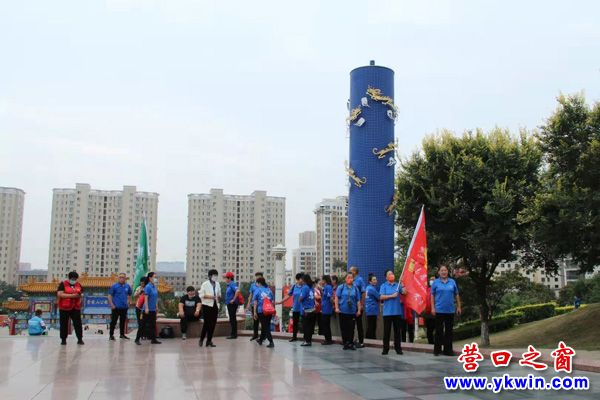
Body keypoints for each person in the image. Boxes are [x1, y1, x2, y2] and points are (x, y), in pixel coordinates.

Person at [431, 265, 461, 356]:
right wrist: (433, 308)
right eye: (442, 270)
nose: (443, 272)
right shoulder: (435, 282)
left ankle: (448, 350)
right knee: (438, 331)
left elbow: (456, 295)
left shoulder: (452, 282)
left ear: (447, 271)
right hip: (439, 310)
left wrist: (459, 307)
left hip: (450, 310)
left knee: (449, 331)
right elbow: (432, 296)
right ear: (439, 272)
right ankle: (437, 350)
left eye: (445, 270)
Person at [380, 270, 405, 355]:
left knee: (397, 332)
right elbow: (381, 297)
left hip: (397, 312)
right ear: (386, 277)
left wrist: (403, 284)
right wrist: (391, 296)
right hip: (387, 313)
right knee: (386, 332)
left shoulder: (398, 285)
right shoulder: (384, 285)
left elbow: (405, 292)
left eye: (392, 273)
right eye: (389, 274)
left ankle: (398, 348)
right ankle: (385, 349)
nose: (391, 275)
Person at [335, 272, 362, 350]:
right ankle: (345, 343)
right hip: (343, 311)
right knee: (344, 328)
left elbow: (358, 300)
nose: (350, 279)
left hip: (352, 312)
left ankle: (350, 343)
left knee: (351, 328)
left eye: (351, 277)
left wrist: (359, 310)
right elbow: (337, 298)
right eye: (348, 277)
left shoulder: (355, 288)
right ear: (345, 279)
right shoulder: (341, 287)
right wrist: (337, 308)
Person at [57, 271, 84, 345]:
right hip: (64, 307)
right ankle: (63, 340)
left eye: (75, 279)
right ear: (69, 278)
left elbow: (82, 293)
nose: (74, 280)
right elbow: (60, 294)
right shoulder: (63, 284)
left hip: (75, 307)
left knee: (78, 324)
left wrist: (80, 295)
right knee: (64, 324)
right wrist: (72, 295)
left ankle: (80, 339)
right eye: (72, 279)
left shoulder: (78, 284)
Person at [277, 272, 304, 342]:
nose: (302, 280)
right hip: (296, 307)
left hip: (303, 308)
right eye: (301, 279)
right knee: (295, 323)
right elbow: (288, 295)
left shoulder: (305, 287)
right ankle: (294, 337)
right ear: (298, 279)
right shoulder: (294, 286)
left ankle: (305, 338)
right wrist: (281, 302)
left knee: (304, 323)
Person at [199, 269, 221, 347]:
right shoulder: (205, 284)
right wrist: (211, 297)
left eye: (216, 275)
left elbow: (219, 294)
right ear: (210, 276)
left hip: (215, 305)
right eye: (214, 275)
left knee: (213, 324)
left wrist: (218, 296)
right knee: (207, 323)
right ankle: (201, 339)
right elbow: (201, 295)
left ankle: (209, 340)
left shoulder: (217, 284)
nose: (215, 277)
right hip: (206, 305)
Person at [108, 272, 132, 341]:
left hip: (124, 307)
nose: (121, 278)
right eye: (120, 277)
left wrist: (128, 301)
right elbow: (109, 295)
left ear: (125, 278)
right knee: (113, 321)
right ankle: (111, 335)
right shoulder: (114, 286)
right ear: (118, 278)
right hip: (116, 307)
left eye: (123, 277)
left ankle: (122, 334)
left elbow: (129, 294)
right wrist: (112, 304)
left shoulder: (127, 286)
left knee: (123, 321)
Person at [253, 277, 275, 348]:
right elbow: (272, 301)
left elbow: (255, 302)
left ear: (259, 283)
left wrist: (254, 312)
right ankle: (261, 339)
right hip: (269, 311)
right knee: (265, 325)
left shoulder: (257, 290)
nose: (256, 284)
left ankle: (271, 341)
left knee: (265, 326)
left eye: (256, 283)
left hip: (261, 311)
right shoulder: (269, 290)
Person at [349, 266, 366, 348]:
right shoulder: (351, 280)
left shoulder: (359, 280)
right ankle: (351, 340)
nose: (349, 272)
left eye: (351, 271)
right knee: (351, 324)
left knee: (359, 324)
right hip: (351, 306)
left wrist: (362, 304)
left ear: (355, 271)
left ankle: (361, 342)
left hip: (358, 305)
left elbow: (363, 292)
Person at [143, 272, 161, 344]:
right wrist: (146, 308)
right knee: (143, 324)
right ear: (150, 278)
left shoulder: (154, 286)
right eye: (154, 277)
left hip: (153, 309)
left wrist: (156, 307)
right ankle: (137, 339)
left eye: (156, 277)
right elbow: (146, 298)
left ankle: (153, 339)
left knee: (153, 324)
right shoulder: (147, 287)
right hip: (147, 309)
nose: (155, 279)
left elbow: (155, 298)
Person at [299, 274, 316, 346]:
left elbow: (301, 298)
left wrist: (299, 299)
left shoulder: (305, 287)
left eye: (302, 279)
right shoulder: (311, 287)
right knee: (310, 326)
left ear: (304, 280)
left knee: (306, 326)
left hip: (306, 310)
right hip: (312, 309)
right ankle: (309, 340)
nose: (301, 281)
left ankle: (306, 341)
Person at [246, 272, 263, 341]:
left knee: (262, 321)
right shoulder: (252, 285)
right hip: (254, 305)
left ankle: (263, 336)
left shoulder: (264, 285)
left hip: (261, 306)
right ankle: (255, 335)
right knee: (255, 321)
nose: (257, 278)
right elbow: (250, 295)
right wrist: (248, 303)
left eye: (259, 276)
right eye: (256, 276)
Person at [224, 272, 241, 339]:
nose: (225, 279)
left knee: (232, 319)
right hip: (230, 304)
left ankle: (233, 334)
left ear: (229, 278)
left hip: (232, 304)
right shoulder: (229, 285)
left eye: (226, 278)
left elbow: (237, 291)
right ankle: (233, 334)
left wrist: (233, 299)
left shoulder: (232, 284)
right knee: (232, 319)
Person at [319, 275, 334, 345]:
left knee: (326, 325)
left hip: (327, 309)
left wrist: (333, 305)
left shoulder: (328, 287)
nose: (321, 281)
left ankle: (328, 340)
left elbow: (330, 297)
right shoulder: (326, 287)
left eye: (322, 280)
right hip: (325, 308)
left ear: (325, 280)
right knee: (325, 325)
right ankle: (328, 339)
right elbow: (325, 296)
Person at [365, 274, 380, 340]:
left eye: (376, 279)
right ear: (370, 281)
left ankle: (369, 339)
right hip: (372, 309)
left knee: (370, 326)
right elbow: (379, 297)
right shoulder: (372, 289)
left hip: (369, 309)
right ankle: (370, 340)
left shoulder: (368, 288)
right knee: (372, 326)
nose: (375, 281)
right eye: (373, 280)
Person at [134, 277, 148, 345]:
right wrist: (140, 292)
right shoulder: (138, 288)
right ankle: (137, 339)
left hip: (146, 308)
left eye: (143, 283)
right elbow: (134, 295)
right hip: (139, 308)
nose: (142, 284)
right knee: (140, 323)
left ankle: (143, 335)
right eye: (141, 283)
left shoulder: (147, 288)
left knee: (144, 323)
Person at [423, 277, 436, 345]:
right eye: (431, 280)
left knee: (438, 329)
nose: (432, 281)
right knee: (429, 330)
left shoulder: (438, 289)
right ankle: (431, 343)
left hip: (437, 313)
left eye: (433, 280)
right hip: (427, 314)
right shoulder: (426, 290)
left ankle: (439, 343)